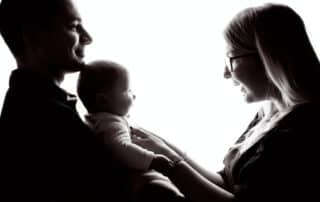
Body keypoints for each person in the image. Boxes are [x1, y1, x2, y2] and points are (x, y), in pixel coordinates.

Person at [131, 3, 320, 202]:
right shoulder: (271, 112)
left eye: (231, 58)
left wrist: (172, 165)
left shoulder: (303, 129)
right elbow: (227, 183)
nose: (225, 74)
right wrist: (164, 148)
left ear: (267, 57)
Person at [0, 0, 130, 201]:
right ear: (33, 36)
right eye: (73, 26)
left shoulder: (33, 102)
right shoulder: (43, 117)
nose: (88, 38)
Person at [77, 60, 185, 202]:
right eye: (127, 91)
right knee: (159, 183)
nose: (133, 95)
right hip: (130, 177)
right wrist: (152, 159)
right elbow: (120, 147)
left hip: (119, 179)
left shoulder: (95, 120)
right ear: (103, 100)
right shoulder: (111, 123)